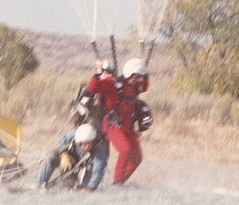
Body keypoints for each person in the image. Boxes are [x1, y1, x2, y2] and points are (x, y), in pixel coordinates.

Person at [85, 57, 152, 185]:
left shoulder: (135, 86)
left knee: (137, 158)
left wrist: (144, 68)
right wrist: (99, 72)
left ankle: (120, 181)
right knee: (125, 150)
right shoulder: (113, 83)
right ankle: (116, 183)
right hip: (112, 124)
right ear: (128, 73)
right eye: (135, 77)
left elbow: (144, 86)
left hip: (127, 125)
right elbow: (92, 88)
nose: (137, 80)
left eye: (139, 77)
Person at [36, 123, 109, 191]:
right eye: (84, 143)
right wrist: (64, 155)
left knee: (82, 188)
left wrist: (90, 188)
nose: (87, 146)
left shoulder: (100, 147)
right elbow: (62, 141)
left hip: (88, 164)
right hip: (70, 157)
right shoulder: (74, 134)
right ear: (79, 141)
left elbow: (98, 170)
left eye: (89, 143)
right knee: (50, 157)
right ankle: (39, 184)